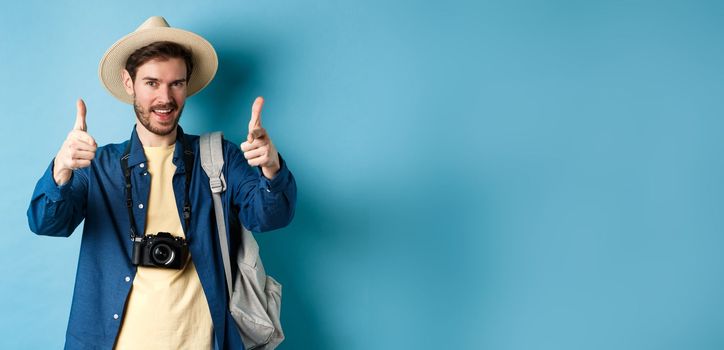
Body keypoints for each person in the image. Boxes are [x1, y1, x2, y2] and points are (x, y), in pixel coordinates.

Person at [27, 16, 296, 350]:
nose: (165, 98)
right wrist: (61, 170)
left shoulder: (218, 158)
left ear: (187, 84)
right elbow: (44, 222)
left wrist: (271, 168)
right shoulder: (98, 166)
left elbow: (271, 217)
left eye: (176, 84)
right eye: (152, 83)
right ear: (129, 83)